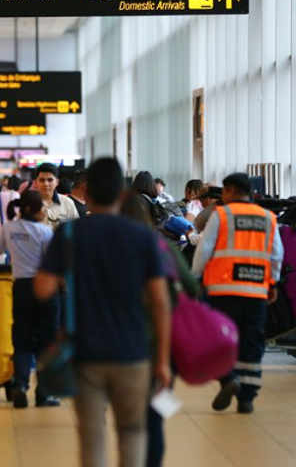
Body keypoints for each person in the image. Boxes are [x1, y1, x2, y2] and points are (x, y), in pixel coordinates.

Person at [35, 157, 171, 467]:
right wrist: (162, 360)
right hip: (133, 352)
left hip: (86, 354)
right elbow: (160, 303)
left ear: (86, 191)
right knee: (132, 432)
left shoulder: (69, 234)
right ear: (122, 193)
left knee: (92, 437)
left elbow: (42, 289)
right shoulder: (143, 237)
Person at [192, 173, 284, 415]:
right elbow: (277, 254)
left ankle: (228, 378)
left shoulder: (222, 215)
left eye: (224, 191)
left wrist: (196, 277)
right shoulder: (268, 217)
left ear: (231, 191)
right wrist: (272, 283)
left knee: (220, 338)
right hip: (256, 290)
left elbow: (204, 249)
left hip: (223, 290)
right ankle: (247, 398)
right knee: (252, 340)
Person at [121, 193, 201, 467]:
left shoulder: (113, 250)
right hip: (165, 345)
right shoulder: (163, 248)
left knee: (130, 419)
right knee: (154, 419)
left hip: (125, 345)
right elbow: (191, 287)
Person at [0, 190, 60, 409]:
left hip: (21, 288)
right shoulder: (45, 232)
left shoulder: (9, 228)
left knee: (22, 339)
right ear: (29, 209)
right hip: (44, 288)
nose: (45, 210)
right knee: (46, 342)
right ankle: (43, 393)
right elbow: (53, 263)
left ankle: (20, 385)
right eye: (42, 207)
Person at [34, 163, 79, 230]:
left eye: (50, 180)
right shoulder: (28, 203)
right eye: (42, 180)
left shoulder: (67, 203)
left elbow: (76, 228)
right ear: (35, 182)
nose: (46, 184)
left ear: (57, 182)